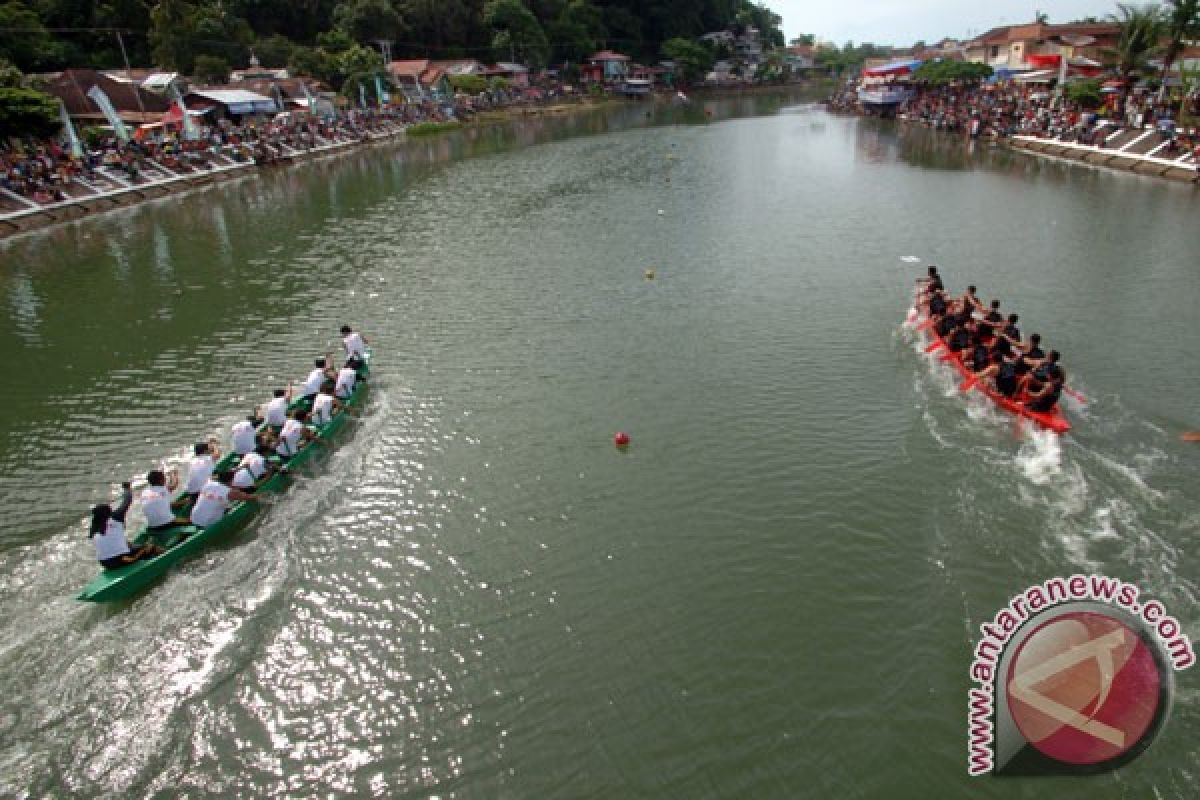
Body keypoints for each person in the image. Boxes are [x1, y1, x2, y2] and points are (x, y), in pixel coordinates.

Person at [90, 483, 162, 569]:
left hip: (105, 563)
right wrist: (127, 488)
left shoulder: (94, 526)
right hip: (123, 559)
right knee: (151, 547)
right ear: (109, 513)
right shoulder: (116, 517)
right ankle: (166, 555)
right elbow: (127, 500)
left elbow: (110, 540)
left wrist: (130, 545)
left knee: (131, 545)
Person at [190, 471, 257, 528]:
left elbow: (213, 477)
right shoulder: (229, 492)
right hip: (207, 523)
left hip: (193, 517)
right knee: (234, 508)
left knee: (223, 505)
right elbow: (250, 498)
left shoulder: (208, 482)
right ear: (229, 482)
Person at [176, 441, 219, 509]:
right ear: (205, 451)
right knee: (221, 479)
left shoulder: (192, 461)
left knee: (211, 477)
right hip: (201, 492)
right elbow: (217, 454)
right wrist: (214, 444)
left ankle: (190, 500)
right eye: (208, 449)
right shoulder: (207, 459)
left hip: (191, 491)